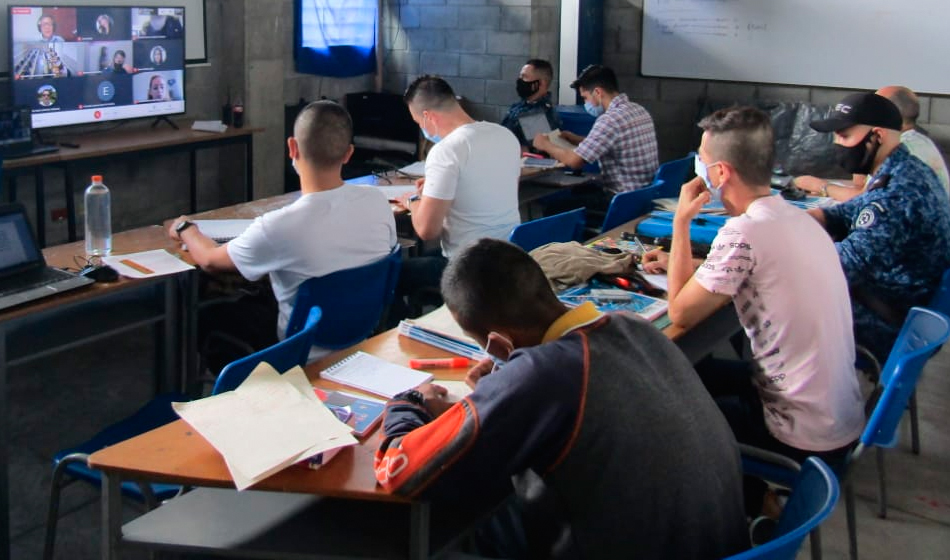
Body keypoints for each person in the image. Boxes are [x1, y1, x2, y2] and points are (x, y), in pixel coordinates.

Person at [375, 238, 748, 559]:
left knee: (459, 523)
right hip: (727, 542)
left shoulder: (542, 376)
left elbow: (401, 471)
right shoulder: (633, 326)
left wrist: (409, 402)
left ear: (498, 343)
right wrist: (501, 391)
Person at [641, 106, 865, 515]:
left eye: (703, 163)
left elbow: (681, 312)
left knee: (660, 415)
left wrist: (680, 224)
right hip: (835, 413)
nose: (699, 171)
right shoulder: (795, 217)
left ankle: (754, 505)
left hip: (799, 430)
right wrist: (682, 259)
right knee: (696, 370)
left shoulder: (744, 231)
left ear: (721, 173)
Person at [169, 101, 397, 373]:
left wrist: (186, 228)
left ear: (292, 147)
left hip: (300, 348)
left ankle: (228, 399)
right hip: (359, 337)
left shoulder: (278, 226)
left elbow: (208, 260)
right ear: (348, 154)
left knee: (208, 316)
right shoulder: (378, 202)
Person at [806, 92, 950, 362]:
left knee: (780, 306)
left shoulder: (898, 194)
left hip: (889, 325)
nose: (837, 143)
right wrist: (804, 219)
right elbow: (843, 214)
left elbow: (838, 267)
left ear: (878, 137)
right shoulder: (901, 169)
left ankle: (762, 399)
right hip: (894, 307)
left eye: (845, 136)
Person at [391, 75, 521, 319]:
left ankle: (407, 333)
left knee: (388, 275)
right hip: (508, 257)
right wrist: (436, 188)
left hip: (467, 267)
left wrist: (415, 200)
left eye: (418, 121)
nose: (422, 128)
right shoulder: (504, 136)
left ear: (428, 116)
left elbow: (427, 231)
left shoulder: (446, 150)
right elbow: (490, 189)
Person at [532, 64, 659, 209]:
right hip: (643, 194)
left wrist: (545, 144)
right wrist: (578, 139)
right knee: (581, 191)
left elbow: (575, 161)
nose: (586, 104)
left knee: (555, 208)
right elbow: (616, 143)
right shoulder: (638, 110)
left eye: (585, 98)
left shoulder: (609, 120)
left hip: (620, 199)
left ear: (598, 92)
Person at [795, 86, 950, 201]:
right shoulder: (918, 140)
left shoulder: (904, 150)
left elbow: (864, 197)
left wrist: (821, 187)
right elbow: (860, 183)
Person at [500, 58, 562, 149]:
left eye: (524, 77)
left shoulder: (536, 115)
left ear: (541, 83)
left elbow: (533, 151)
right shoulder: (523, 105)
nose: (520, 80)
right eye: (520, 76)